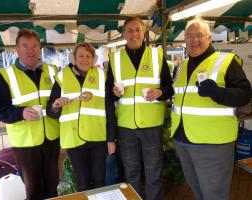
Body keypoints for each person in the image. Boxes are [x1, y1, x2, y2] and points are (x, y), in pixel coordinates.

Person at [171, 16, 252, 200]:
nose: (194, 40)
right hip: (183, 141)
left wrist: (218, 93)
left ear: (209, 37)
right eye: (189, 36)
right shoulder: (181, 66)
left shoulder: (226, 61)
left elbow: (245, 95)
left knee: (214, 194)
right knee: (197, 190)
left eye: (199, 35)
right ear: (185, 40)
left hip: (212, 143)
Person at [107, 16, 174, 200]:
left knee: (154, 171)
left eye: (138, 29)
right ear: (124, 34)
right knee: (131, 172)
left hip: (151, 125)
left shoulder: (157, 55)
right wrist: (115, 93)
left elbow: (169, 87)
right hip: (126, 126)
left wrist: (160, 92)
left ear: (144, 33)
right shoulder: (115, 58)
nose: (134, 33)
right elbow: (109, 93)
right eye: (130, 30)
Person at [0, 29, 60, 200]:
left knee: (53, 184)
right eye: (25, 46)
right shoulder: (6, 76)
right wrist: (20, 113)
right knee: (33, 189)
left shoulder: (52, 71)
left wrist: (57, 107)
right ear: (17, 49)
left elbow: (58, 100)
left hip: (51, 138)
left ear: (40, 47)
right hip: (25, 143)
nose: (31, 50)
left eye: (35, 46)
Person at [46, 42, 116, 191]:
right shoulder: (62, 77)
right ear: (73, 58)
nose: (84, 59)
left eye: (88, 56)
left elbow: (109, 109)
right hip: (74, 139)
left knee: (99, 182)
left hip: (98, 137)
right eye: (81, 56)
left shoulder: (102, 76)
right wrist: (55, 105)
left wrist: (111, 139)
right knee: (83, 183)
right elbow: (51, 111)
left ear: (93, 58)